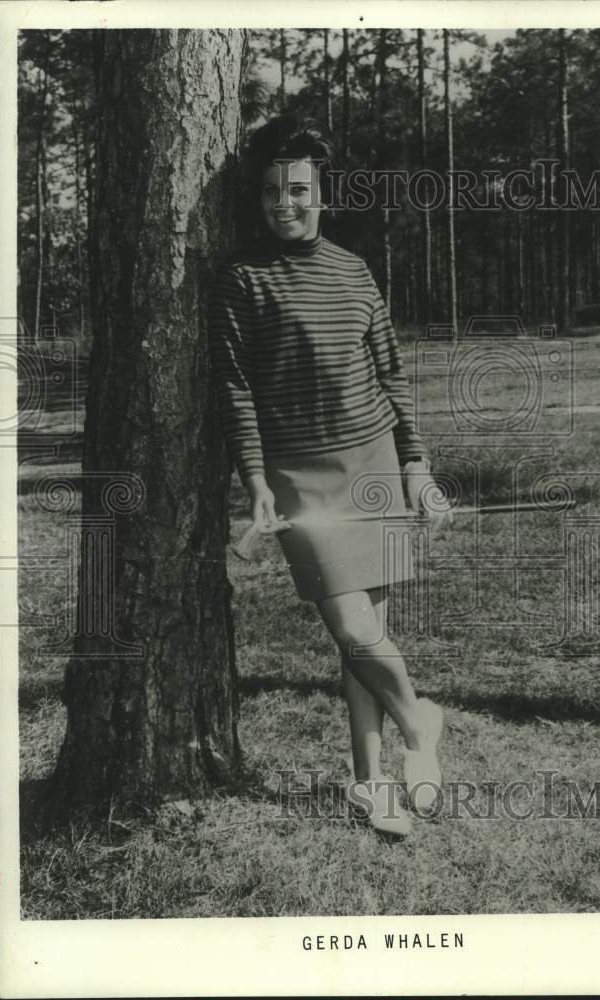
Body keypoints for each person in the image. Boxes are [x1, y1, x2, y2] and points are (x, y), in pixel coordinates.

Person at [208, 115, 451, 837]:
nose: (286, 204)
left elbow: (392, 373)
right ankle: (421, 724)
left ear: (321, 193)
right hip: (297, 473)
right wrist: (255, 479)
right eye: (272, 193)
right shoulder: (239, 279)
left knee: (362, 635)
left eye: (299, 190)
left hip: (372, 460)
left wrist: (415, 465)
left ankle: (370, 787)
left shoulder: (354, 270)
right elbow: (235, 388)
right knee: (351, 625)